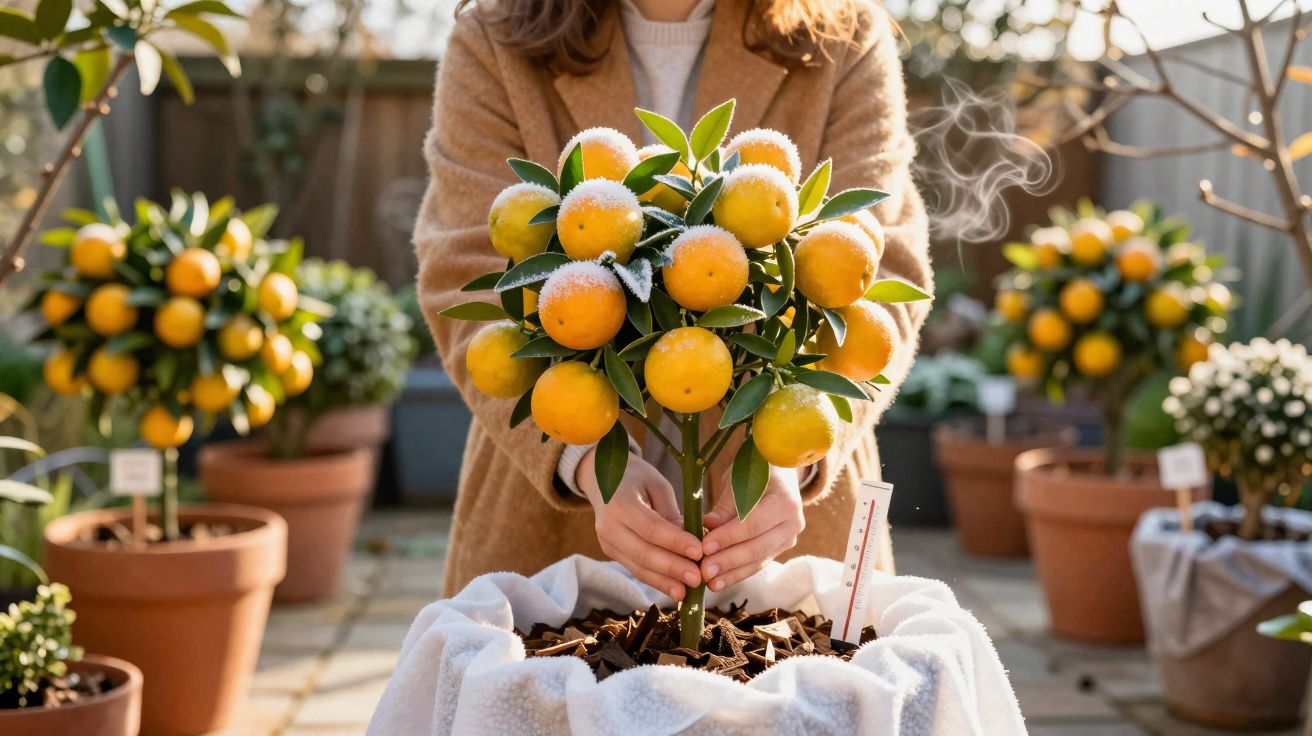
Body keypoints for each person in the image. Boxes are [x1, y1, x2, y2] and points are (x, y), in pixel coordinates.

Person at [417, 0, 931, 598]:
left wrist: (792, 457)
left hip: (782, 521)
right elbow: (467, 263)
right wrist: (583, 457)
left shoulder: (841, 35)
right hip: (552, 522)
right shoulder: (496, 36)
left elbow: (877, 263)